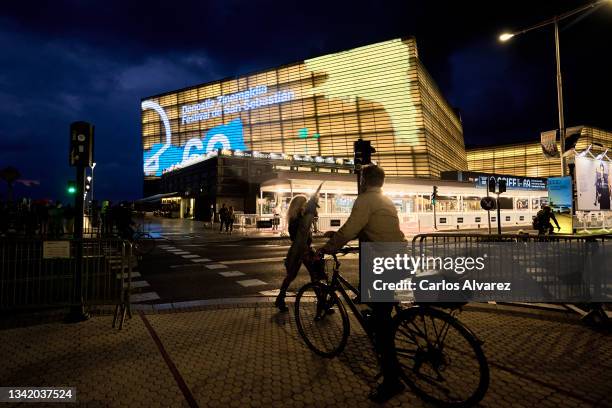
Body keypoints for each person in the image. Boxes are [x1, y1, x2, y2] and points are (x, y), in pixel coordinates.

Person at [318, 164, 406, 403]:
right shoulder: (385, 200)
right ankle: (387, 324)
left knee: (383, 323)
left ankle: (392, 382)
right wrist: (336, 234)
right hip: (399, 256)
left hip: (383, 262)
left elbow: (352, 228)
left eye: (362, 178)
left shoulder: (365, 199)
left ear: (365, 180)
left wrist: (329, 247)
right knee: (382, 310)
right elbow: (364, 227)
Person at [275, 195, 325, 312]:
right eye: (304, 203)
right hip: (303, 250)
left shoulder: (295, 217)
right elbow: (301, 232)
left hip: (298, 250)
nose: (306, 205)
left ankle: (280, 298)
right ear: (299, 205)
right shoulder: (297, 218)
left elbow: (314, 217)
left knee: (292, 276)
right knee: (314, 275)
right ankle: (321, 302)